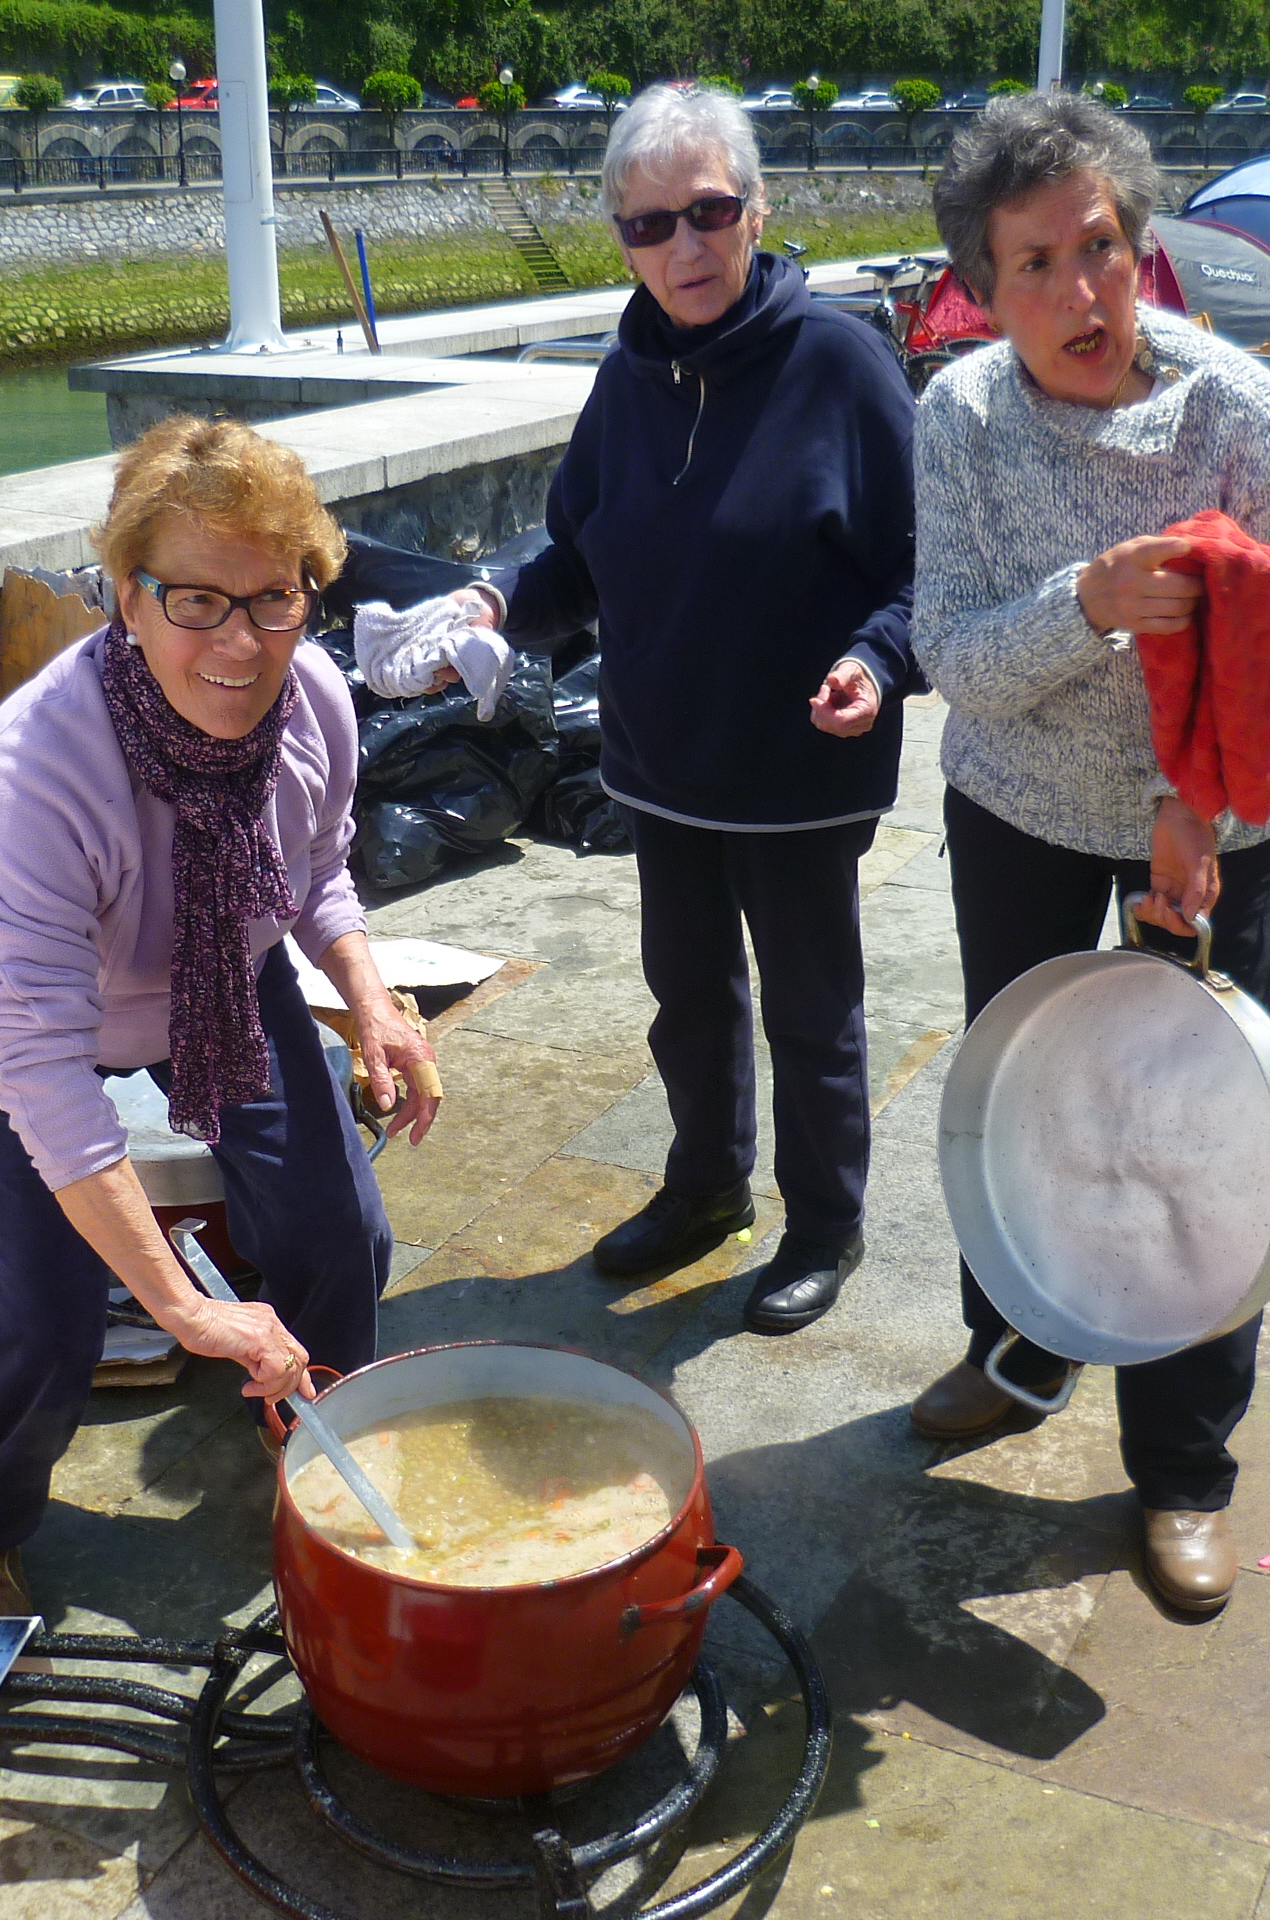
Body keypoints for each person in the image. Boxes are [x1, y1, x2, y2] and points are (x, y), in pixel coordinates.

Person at [907, 92, 1270, 1616]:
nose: (1079, 291)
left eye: (1098, 247)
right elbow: (955, 655)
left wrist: (1197, 798)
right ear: (981, 286)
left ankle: (1182, 1471)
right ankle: (1017, 1351)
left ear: (1139, 245)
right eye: (1033, 264)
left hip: (1211, 835)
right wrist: (1087, 602)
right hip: (1020, 810)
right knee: (1021, 1101)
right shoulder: (960, 420)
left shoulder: (1237, 413)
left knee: (1206, 1142)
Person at [0, 415, 438, 1627]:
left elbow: (316, 869)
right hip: (11, 1014)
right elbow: (45, 1075)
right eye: (196, 601)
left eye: (274, 599)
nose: (241, 644)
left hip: (221, 969)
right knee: (46, 1309)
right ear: (126, 600)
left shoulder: (314, 698)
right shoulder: (38, 767)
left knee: (338, 1229)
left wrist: (370, 1000)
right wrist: (183, 1307)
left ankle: (308, 1429)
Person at [494, 81, 920, 1335]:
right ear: (621, 239)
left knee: (810, 1013)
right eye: (649, 224)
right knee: (687, 998)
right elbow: (577, 561)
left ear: (756, 210)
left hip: (799, 770)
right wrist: (487, 606)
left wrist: (878, 661)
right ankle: (704, 1187)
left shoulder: (840, 363)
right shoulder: (626, 375)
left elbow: (928, 570)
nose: (681, 245)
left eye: (707, 212)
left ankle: (824, 1223)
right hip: (659, 764)